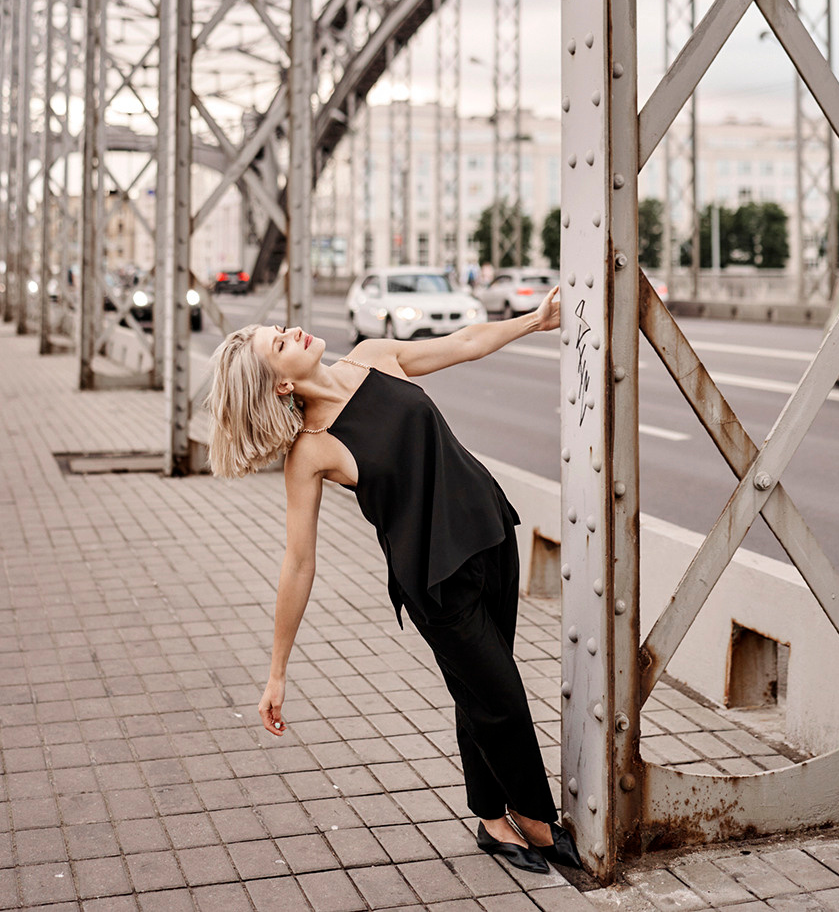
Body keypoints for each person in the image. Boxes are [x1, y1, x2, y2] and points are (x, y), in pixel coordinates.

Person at [205, 286, 579, 875]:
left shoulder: (373, 355)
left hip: (490, 531)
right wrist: (277, 672)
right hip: (435, 580)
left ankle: (488, 815)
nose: (293, 331)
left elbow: (463, 342)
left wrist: (534, 320)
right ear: (281, 385)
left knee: (479, 691)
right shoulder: (311, 450)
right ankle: (536, 820)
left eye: (282, 327)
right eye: (279, 343)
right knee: (500, 698)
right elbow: (298, 561)